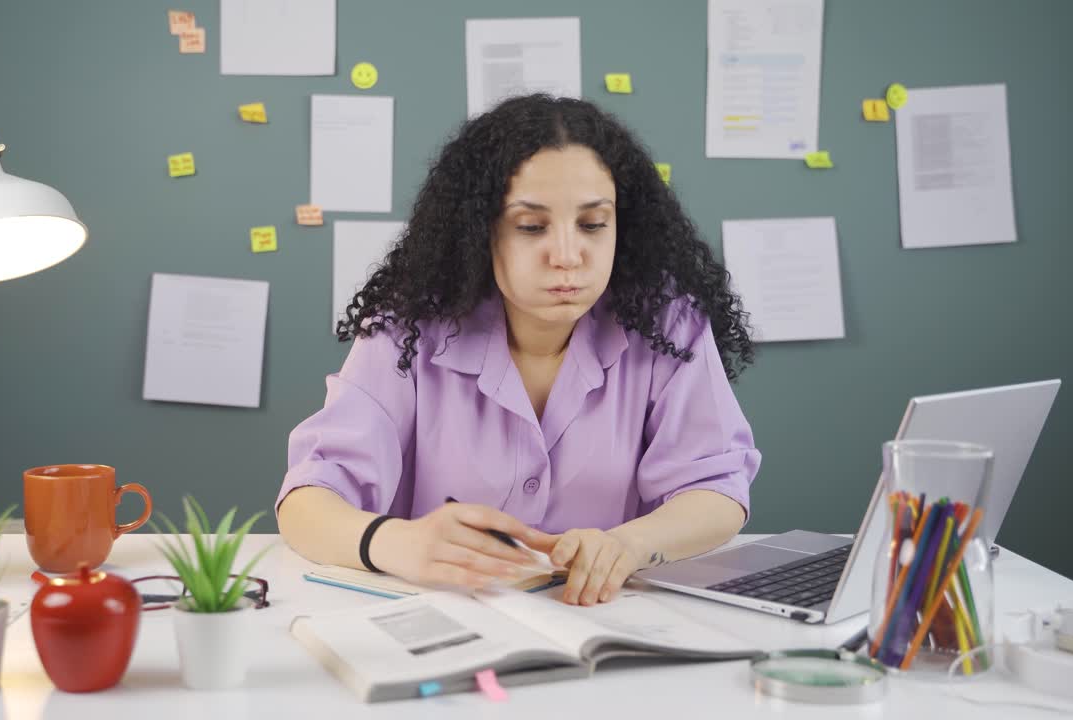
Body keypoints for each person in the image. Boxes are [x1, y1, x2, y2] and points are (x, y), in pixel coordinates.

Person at [277, 94, 760, 606]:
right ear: (480, 232)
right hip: (443, 615)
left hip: (604, 617)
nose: (568, 256)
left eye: (593, 224)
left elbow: (716, 488)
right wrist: (396, 542)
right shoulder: (406, 329)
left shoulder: (668, 323)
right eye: (531, 226)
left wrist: (629, 545)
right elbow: (308, 501)